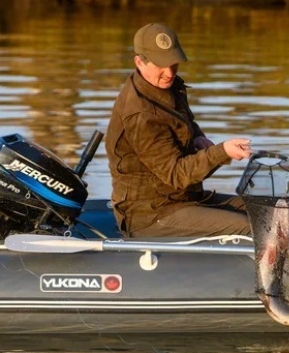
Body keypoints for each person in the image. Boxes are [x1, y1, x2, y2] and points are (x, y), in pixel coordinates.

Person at [106, 22, 253, 238]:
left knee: (265, 212)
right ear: (139, 62)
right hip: (150, 214)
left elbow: (185, 124)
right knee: (249, 228)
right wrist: (222, 152)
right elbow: (176, 174)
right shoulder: (141, 116)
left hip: (182, 199)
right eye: (161, 65)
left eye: (173, 63)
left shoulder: (166, 87)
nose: (169, 72)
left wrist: (198, 138)